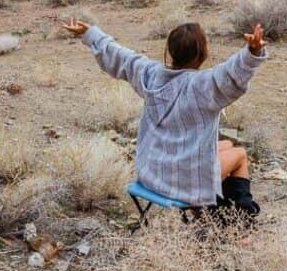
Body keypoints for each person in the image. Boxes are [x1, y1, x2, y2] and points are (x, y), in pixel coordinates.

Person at [61, 17, 268, 217]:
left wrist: (90, 33)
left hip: (152, 174)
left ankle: (213, 213)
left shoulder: (151, 75)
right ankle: (240, 226)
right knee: (239, 155)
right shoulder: (204, 85)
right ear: (202, 52)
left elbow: (122, 57)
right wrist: (252, 51)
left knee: (226, 146)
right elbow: (233, 73)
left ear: (170, 51)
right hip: (184, 184)